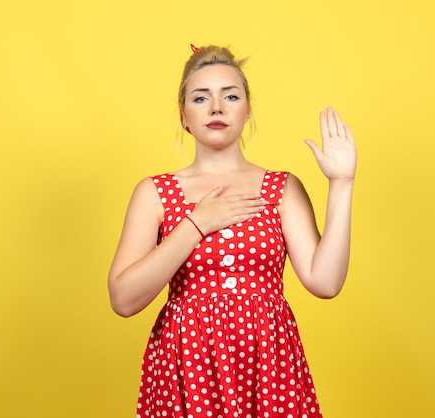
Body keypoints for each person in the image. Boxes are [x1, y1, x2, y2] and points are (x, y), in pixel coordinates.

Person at [108, 44, 357, 418]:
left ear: (246, 111)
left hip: (269, 364)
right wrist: (195, 225)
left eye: (231, 96)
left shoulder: (282, 187)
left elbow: (325, 282)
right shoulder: (155, 193)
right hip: (188, 362)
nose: (216, 107)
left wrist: (342, 183)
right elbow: (124, 300)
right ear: (183, 117)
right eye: (200, 97)